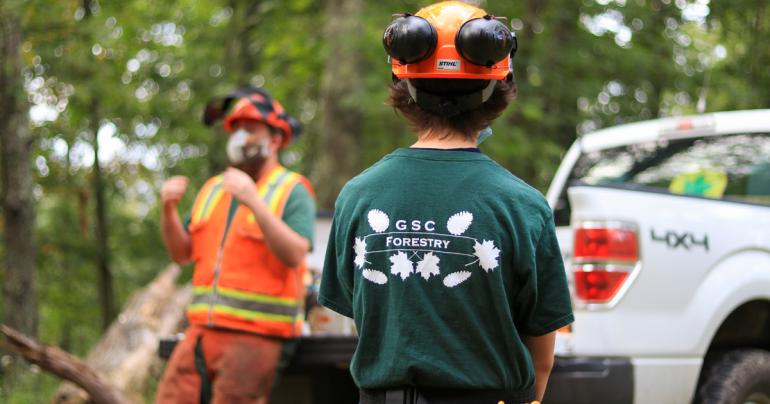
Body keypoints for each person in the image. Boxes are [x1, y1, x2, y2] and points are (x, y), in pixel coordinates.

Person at [319, 2, 574, 403]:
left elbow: (367, 315)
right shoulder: (524, 206)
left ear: (402, 84)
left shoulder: (358, 196)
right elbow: (541, 350)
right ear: (499, 86)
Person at [157, 86, 316, 404]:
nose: (241, 137)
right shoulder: (215, 188)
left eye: (250, 129)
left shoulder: (291, 189)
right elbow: (181, 254)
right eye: (236, 129)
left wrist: (253, 202)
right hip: (202, 329)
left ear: (275, 139)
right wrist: (168, 209)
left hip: (258, 333)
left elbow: (295, 253)